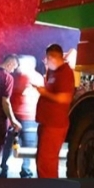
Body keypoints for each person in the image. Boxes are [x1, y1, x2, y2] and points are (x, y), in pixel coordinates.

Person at [34, 44, 75, 179]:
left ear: (54, 57)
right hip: (46, 122)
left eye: (48, 58)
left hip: (55, 124)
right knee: (42, 161)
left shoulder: (65, 73)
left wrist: (44, 92)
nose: (46, 61)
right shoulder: (53, 71)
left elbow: (65, 98)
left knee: (47, 163)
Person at [1, 54, 42, 178]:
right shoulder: (37, 77)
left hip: (20, 116)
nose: (18, 66)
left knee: (10, 143)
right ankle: (24, 171)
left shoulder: (21, 76)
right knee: (27, 145)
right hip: (27, 116)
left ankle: (5, 168)